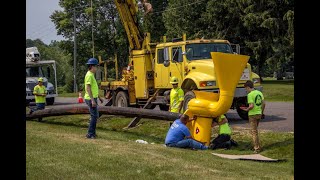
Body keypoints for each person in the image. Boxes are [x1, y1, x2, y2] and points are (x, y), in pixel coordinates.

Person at [240, 80, 266, 153]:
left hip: (252, 115)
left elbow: (251, 106)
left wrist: (246, 109)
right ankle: (256, 145)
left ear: (248, 87)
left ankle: (256, 148)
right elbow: (264, 104)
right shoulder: (259, 93)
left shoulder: (250, 95)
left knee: (254, 132)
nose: (246, 90)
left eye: (246, 89)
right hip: (259, 114)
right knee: (255, 131)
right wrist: (261, 112)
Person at [84, 58, 104, 139]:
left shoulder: (91, 75)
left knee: (95, 116)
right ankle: (90, 134)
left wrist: (99, 97)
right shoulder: (89, 75)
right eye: (96, 66)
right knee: (94, 116)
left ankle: (92, 133)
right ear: (92, 66)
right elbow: (88, 88)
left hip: (93, 98)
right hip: (90, 99)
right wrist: (92, 100)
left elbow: (93, 88)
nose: (97, 68)